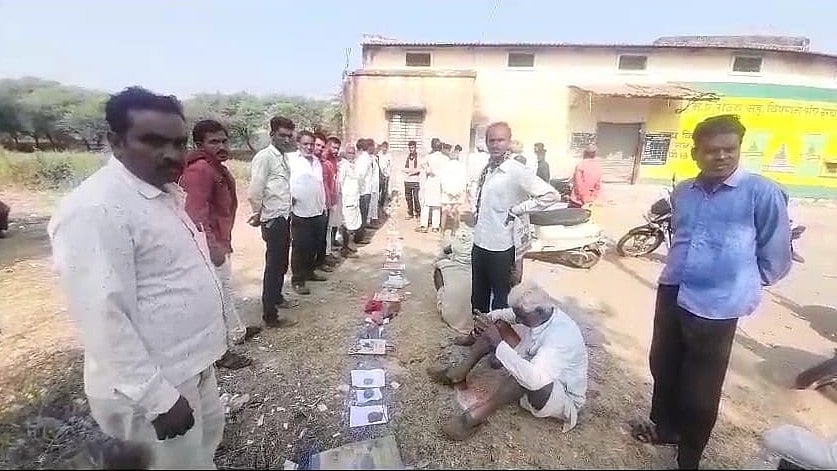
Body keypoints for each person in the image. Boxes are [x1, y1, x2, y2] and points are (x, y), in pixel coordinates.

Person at [48, 87, 226, 468]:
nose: (171, 154)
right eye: (153, 141)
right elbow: (101, 318)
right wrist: (156, 398)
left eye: (178, 143)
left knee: (202, 457)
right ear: (116, 142)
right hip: (155, 387)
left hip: (191, 366)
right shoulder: (95, 209)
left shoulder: (163, 193)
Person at [630, 114, 793, 470]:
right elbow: (679, 234)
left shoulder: (762, 193)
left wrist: (743, 285)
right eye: (711, 150)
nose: (721, 156)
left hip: (718, 306)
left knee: (700, 391)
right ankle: (667, 428)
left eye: (729, 149)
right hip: (673, 291)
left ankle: (689, 457)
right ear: (696, 153)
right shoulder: (684, 191)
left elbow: (776, 255)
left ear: (739, 149)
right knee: (663, 366)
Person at [428, 281, 588, 441]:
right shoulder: (539, 311)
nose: (517, 319)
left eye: (522, 317)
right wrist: (486, 320)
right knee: (496, 325)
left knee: (523, 375)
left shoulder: (561, 336)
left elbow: (534, 379)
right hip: (535, 365)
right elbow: (504, 315)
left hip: (560, 395)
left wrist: (498, 344)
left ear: (538, 311)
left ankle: (474, 417)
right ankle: (458, 374)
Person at [465, 122, 559, 323]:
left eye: (500, 140)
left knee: (501, 299)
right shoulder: (488, 168)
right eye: (492, 140)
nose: (496, 144)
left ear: (508, 142)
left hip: (501, 246)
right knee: (478, 296)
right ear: (486, 142)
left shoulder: (516, 171)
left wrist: (519, 209)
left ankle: (499, 339)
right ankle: (478, 333)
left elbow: (551, 195)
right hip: (480, 242)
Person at [179, 119, 255, 370]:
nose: (221, 146)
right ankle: (220, 353)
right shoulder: (200, 170)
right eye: (214, 142)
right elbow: (194, 214)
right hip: (210, 247)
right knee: (217, 299)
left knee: (225, 292)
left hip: (221, 241)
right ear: (199, 144)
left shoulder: (216, 167)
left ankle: (236, 332)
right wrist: (213, 248)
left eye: (224, 140)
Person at [248, 116, 298, 328]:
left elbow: (279, 187)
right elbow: (255, 190)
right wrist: (258, 213)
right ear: (272, 135)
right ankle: (270, 314)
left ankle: (277, 297)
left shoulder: (283, 157)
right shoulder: (265, 157)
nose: (286, 139)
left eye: (289, 136)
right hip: (273, 218)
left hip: (284, 215)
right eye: (282, 135)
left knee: (282, 262)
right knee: (274, 265)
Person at [288, 130, 328, 295]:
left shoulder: (317, 161)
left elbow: (319, 185)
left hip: (317, 210)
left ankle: (310, 272)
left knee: (314, 245)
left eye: (311, 144)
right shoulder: (290, 160)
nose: (309, 147)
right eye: (305, 144)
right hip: (300, 211)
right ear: (298, 144)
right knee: (300, 247)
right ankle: (298, 280)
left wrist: (323, 206)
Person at [433, 215, 475, 334]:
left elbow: (439, 257)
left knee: (438, 269)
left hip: (450, 316)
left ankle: (442, 297)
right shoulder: (481, 264)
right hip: (476, 320)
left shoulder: (446, 266)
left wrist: (446, 252)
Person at [313, 132, 337, 274]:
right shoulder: (302, 162)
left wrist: (331, 201)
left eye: (322, 146)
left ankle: (321, 261)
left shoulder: (325, 164)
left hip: (324, 204)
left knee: (322, 234)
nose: (319, 149)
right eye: (317, 145)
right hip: (308, 206)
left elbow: (330, 185)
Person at [338, 145, 362, 259]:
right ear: (345, 154)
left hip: (354, 199)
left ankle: (348, 246)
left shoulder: (354, 165)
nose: (351, 155)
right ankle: (344, 248)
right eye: (349, 153)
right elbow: (340, 182)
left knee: (352, 224)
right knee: (346, 224)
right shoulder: (343, 166)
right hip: (346, 199)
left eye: (353, 153)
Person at [418, 138, 445, 233]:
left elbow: (421, 163)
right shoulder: (445, 158)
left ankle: (424, 225)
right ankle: (435, 226)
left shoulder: (429, 157)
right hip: (440, 182)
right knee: (437, 205)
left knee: (426, 204)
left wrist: (428, 169)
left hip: (430, 181)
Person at [439, 146, 468, 236]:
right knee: (457, 211)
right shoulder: (462, 166)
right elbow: (464, 179)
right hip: (458, 191)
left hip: (447, 191)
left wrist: (445, 190)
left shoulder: (445, 166)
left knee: (444, 211)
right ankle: (454, 230)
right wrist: (460, 191)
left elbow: (442, 179)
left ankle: (442, 230)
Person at [324, 136, 343, 258]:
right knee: (326, 228)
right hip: (325, 199)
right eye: (333, 147)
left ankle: (329, 249)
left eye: (337, 148)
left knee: (331, 225)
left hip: (333, 196)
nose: (336, 151)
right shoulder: (324, 161)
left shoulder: (335, 160)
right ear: (327, 146)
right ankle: (326, 253)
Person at [569, 144, 602, 208]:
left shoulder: (580, 165)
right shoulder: (598, 167)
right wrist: (592, 197)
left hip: (577, 201)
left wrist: (583, 198)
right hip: (591, 200)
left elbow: (578, 184)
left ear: (584, 153)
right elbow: (597, 186)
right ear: (595, 154)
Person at [353, 138, 373, 245]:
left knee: (362, 214)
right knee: (362, 214)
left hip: (364, 190)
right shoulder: (364, 159)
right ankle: (359, 237)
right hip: (363, 191)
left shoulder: (362, 158)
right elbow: (360, 176)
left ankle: (360, 234)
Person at [402, 140, 422, 220]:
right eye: (410, 148)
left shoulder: (419, 157)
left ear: (415, 148)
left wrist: (410, 172)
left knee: (416, 197)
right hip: (407, 180)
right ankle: (410, 213)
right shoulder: (406, 157)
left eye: (413, 147)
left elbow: (419, 169)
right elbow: (403, 168)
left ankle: (418, 213)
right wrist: (411, 171)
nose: (411, 149)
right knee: (408, 198)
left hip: (415, 180)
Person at [367, 138, 382, 228]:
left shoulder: (375, 158)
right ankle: (369, 221)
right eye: (376, 148)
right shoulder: (368, 158)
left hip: (376, 184)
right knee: (370, 203)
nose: (377, 150)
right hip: (370, 185)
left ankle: (374, 218)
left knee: (375, 201)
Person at [378, 141, 392, 211]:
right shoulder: (378, 155)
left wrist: (387, 174)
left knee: (384, 191)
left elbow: (390, 166)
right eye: (383, 147)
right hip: (378, 175)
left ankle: (382, 205)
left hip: (385, 175)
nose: (384, 149)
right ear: (381, 147)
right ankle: (377, 204)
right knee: (378, 189)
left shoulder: (389, 156)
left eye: (386, 148)